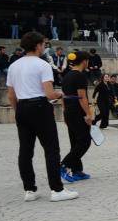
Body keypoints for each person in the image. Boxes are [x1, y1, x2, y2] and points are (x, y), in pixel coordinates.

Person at [7, 32, 76, 202]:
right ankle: (57, 189)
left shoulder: (14, 66)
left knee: (25, 150)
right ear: (38, 45)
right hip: (39, 107)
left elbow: (11, 95)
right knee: (51, 149)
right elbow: (49, 94)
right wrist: (59, 94)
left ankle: (30, 189)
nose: (45, 46)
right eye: (44, 44)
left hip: (22, 107)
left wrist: (18, 111)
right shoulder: (42, 65)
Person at [60, 52, 94, 182]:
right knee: (85, 142)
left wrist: (64, 113)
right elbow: (82, 97)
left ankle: (76, 170)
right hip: (78, 112)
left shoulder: (67, 75)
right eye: (87, 61)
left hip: (69, 111)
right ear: (84, 61)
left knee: (75, 142)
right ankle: (64, 165)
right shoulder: (80, 76)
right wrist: (88, 114)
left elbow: (62, 96)